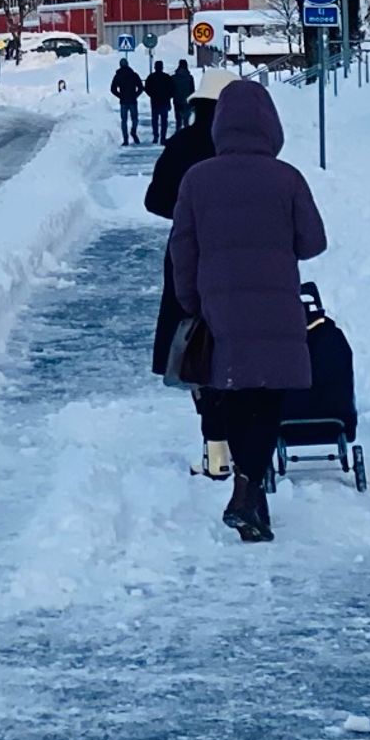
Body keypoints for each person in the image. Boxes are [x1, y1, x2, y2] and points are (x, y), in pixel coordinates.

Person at [168, 77, 327, 544]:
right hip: (276, 307)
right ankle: (247, 493)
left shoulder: (197, 179)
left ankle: (248, 497)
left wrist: (192, 301)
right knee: (269, 399)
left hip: (220, 308)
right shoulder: (287, 178)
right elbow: (312, 242)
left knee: (235, 397)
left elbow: (182, 248)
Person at [146, 66, 238, 478]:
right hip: (241, 257)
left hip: (188, 257)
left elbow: (154, 200)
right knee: (239, 344)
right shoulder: (244, 148)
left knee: (197, 348)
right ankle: (242, 439)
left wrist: (187, 217)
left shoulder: (182, 144)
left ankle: (216, 447)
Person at [111, 58, 143, 145]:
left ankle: (126, 139)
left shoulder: (118, 75)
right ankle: (133, 131)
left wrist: (120, 95)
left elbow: (113, 89)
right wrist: (136, 95)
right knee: (135, 119)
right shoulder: (133, 74)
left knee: (124, 120)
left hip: (123, 101)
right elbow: (140, 87)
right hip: (133, 100)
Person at [143, 59, 174, 144]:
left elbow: (147, 88)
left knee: (155, 120)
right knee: (164, 121)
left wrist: (152, 95)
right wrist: (169, 97)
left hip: (155, 102)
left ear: (155, 67)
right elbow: (172, 89)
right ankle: (163, 138)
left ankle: (156, 136)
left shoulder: (151, 77)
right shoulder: (167, 77)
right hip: (164, 102)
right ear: (162, 67)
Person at [170, 57, 196, 131]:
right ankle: (186, 137)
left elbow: (171, 90)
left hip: (177, 101)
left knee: (178, 121)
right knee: (186, 121)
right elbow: (192, 90)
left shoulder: (174, 78)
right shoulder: (190, 77)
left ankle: (178, 136)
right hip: (186, 102)